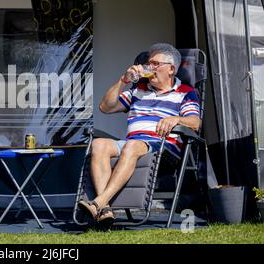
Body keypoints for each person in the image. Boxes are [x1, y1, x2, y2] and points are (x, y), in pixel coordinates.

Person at [78, 43, 201, 227]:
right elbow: (105, 107)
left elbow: (195, 122)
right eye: (148, 63)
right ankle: (105, 210)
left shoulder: (185, 92)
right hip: (132, 145)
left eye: (155, 64)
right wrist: (123, 80)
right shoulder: (139, 89)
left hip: (164, 149)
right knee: (99, 144)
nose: (149, 68)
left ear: (171, 69)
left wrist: (176, 119)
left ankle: (98, 202)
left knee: (132, 145)